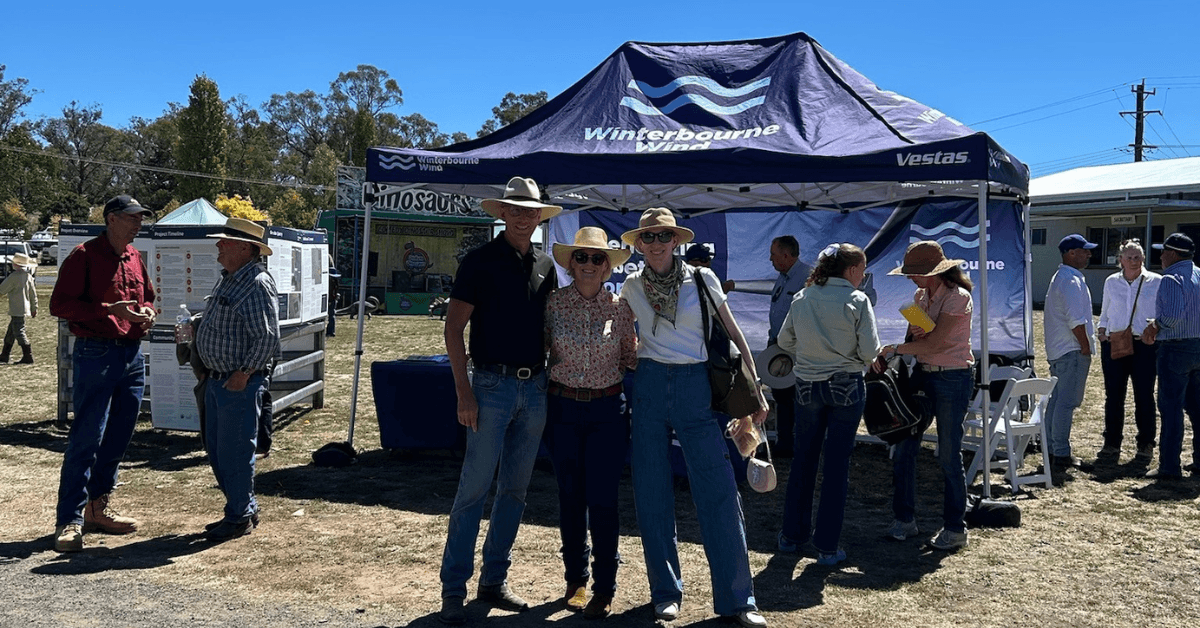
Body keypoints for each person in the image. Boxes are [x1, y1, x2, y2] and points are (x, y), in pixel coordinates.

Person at [619, 207, 769, 628]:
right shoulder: (631, 285)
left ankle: (740, 599)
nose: (655, 243)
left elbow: (734, 333)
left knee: (719, 492)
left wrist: (756, 388)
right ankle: (665, 593)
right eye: (647, 237)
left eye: (663, 235)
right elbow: (620, 334)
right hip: (648, 386)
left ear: (676, 239)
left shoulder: (701, 279)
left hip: (695, 387)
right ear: (638, 244)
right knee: (651, 492)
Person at [438, 177, 560, 625]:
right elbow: (453, 330)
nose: (524, 216)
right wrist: (463, 392)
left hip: (535, 388)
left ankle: (493, 580)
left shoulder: (546, 265)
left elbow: (550, 330)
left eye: (531, 210)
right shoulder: (479, 261)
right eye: (516, 209)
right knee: (473, 490)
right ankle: (454, 589)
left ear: (538, 216)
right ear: (502, 213)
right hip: (490, 387)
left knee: (514, 491)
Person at [48, 194, 156, 552]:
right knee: (87, 436)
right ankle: (69, 520)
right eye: (132, 217)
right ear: (111, 219)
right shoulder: (84, 255)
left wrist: (147, 312)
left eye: (141, 217)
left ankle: (98, 507)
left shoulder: (135, 256)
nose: (139, 223)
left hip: (131, 355)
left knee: (120, 435)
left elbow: (149, 297)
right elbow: (59, 305)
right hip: (95, 353)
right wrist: (111, 309)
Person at [544, 227, 637, 620]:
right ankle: (575, 579)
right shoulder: (551, 305)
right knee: (570, 497)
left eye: (597, 258)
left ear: (607, 267)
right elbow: (540, 351)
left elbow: (630, 358)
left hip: (605, 411)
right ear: (569, 263)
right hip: (563, 408)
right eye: (581, 257)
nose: (588, 264)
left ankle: (605, 587)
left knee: (603, 500)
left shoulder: (620, 308)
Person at [776, 243, 879, 565]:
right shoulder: (857, 299)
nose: (863, 276)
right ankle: (827, 547)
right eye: (861, 270)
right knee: (836, 467)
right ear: (850, 271)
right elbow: (869, 351)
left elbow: (784, 341)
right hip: (846, 385)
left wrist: (810, 352)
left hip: (807, 385)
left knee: (803, 462)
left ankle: (791, 536)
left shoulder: (803, 297)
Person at [879, 240, 974, 550]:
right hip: (925, 374)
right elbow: (921, 337)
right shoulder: (921, 295)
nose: (909, 278)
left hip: (952, 378)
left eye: (914, 273)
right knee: (905, 446)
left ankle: (955, 528)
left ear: (933, 273)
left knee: (948, 454)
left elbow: (934, 344)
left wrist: (896, 348)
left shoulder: (959, 298)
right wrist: (912, 338)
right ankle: (904, 520)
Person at [194, 217, 280, 542]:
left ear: (244, 248)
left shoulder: (256, 283)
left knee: (233, 452)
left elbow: (268, 338)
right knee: (219, 451)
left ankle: (239, 516)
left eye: (224, 242)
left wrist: (243, 374)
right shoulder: (231, 278)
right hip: (219, 380)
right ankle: (243, 507)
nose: (218, 246)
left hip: (237, 382)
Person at [727, 236, 813, 456]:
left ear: (786, 255)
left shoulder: (808, 277)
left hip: (797, 349)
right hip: (778, 346)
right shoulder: (784, 278)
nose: (770, 259)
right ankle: (785, 443)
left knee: (798, 398)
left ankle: (799, 443)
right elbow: (773, 297)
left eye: (773, 254)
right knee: (783, 396)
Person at [1141, 232, 1200, 480]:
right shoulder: (1198, 274)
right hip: (1198, 345)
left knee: (1171, 407)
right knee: (1197, 408)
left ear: (1173, 254)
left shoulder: (1171, 278)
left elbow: (1172, 317)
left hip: (1176, 348)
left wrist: (1154, 326)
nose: (1161, 256)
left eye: (1163, 251)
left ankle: (1169, 466)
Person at [1096, 240, 1160, 460]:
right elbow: (1105, 310)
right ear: (1120, 260)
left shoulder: (1156, 281)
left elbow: (1161, 314)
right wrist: (1102, 332)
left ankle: (1146, 444)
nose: (1133, 261)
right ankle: (1112, 443)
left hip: (1144, 346)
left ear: (1143, 259)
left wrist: (1153, 329)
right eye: (1129, 257)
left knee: (1144, 395)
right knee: (1114, 396)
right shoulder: (1111, 282)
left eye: (1137, 257)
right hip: (1116, 342)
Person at [1043, 234, 1097, 472]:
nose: (1089, 254)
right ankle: (1061, 453)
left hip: (1060, 350)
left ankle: (1052, 448)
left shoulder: (1061, 278)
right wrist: (1085, 347)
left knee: (1057, 402)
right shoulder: (1071, 281)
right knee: (1066, 402)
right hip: (1071, 349)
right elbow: (1077, 320)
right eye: (1084, 251)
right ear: (1071, 253)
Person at [0, 252, 38, 364]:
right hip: (24, 308)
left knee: (19, 331)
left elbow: (2, 289)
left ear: (15, 265)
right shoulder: (28, 277)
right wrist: (34, 307)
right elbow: (33, 294)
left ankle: (28, 356)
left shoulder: (13, 277)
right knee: (11, 331)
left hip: (16, 308)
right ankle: (5, 355)